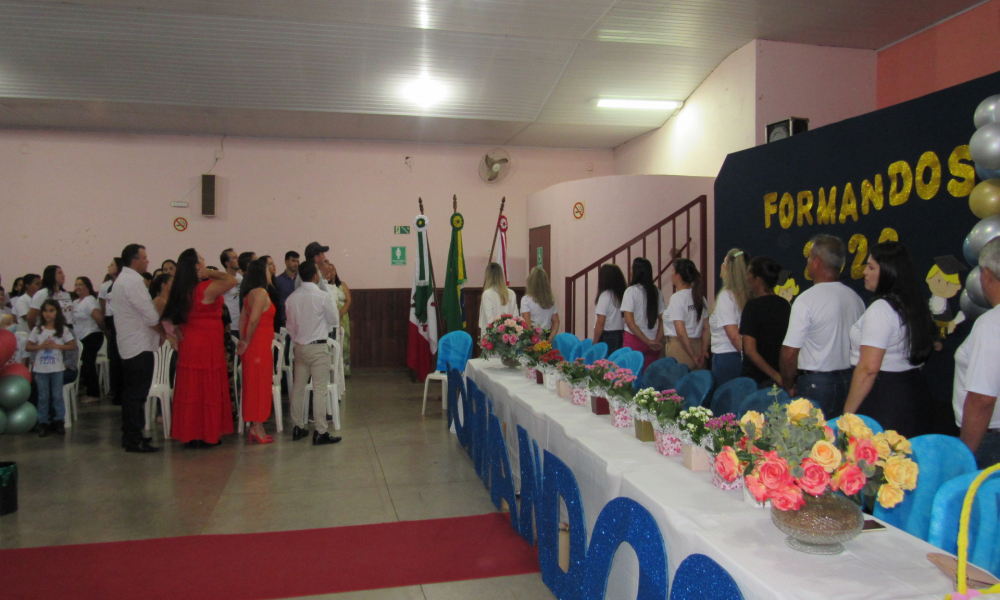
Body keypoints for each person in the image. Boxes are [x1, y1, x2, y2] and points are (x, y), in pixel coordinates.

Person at [842, 242, 936, 438]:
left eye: (871, 267)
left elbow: (868, 369)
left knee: (881, 464)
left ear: (888, 272)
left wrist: (847, 415)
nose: (864, 272)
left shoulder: (881, 309)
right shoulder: (912, 304)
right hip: (909, 392)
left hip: (883, 398)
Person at [779, 234, 865, 419]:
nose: (808, 262)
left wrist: (788, 384)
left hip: (816, 384)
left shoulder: (806, 300)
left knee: (811, 441)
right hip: (849, 380)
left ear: (816, 262)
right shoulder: (855, 298)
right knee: (840, 439)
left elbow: (789, 353)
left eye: (809, 258)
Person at [162, 249, 238, 449]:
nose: (204, 260)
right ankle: (206, 433)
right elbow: (232, 280)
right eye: (201, 258)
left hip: (191, 342)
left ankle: (191, 433)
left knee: (191, 388)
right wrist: (211, 273)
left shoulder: (182, 289)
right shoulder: (204, 288)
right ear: (196, 266)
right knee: (207, 387)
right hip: (206, 343)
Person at [953, 237, 1000, 468]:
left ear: (987, 274)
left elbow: (982, 399)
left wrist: (965, 454)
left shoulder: (991, 323)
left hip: (990, 439)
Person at [110, 244, 162, 453]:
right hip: (138, 345)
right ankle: (133, 438)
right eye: (144, 257)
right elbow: (149, 314)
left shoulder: (122, 280)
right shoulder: (132, 281)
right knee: (135, 394)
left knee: (134, 393)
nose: (147, 261)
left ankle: (133, 434)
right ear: (134, 261)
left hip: (131, 343)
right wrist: (162, 332)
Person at [285, 259, 342, 445]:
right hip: (318, 348)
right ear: (316, 276)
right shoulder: (322, 296)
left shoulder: (291, 298)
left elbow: (290, 327)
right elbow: (333, 319)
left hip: (300, 348)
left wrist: (298, 339)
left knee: (298, 388)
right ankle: (320, 431)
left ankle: (298, 427)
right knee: (319, 390)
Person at [237, 257, 276, 444]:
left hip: (256, 344)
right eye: (269, 269)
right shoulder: (260, 292)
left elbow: (242, 319)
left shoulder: (249, 294)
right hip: (258, 345)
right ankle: (257, 425)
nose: (271, 272)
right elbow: (252, 320)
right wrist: (247, 341)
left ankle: (255, 424)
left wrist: (244, 340)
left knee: (254, 384)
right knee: (259, 384)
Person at [25, 299, 76, 437]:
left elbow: (72, 345)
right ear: (42, 313)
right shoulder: (38, 329)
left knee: (57, 396)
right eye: (46, 311)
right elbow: (28, 346)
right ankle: (43, 423)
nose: (48, 314)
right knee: (43, 396)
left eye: (52, 311)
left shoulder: (63, 330)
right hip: (41, 369)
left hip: (57, 368)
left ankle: (59, 421)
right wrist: (40, 346)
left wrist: (58, 346)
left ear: (57, 312)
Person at [740, 257, 791, 388]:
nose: (747, 279)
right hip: (780, 377)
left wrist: (775, 375)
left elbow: (750, 350)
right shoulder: (784, 305)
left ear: (757, 279)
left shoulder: (752, 307)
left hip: (757, 380)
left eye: (749, 275)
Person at [709, 249, 752, 386]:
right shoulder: (747, 295)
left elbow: (733, 336)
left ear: (728, 268)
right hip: (740, 355)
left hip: (727, 358)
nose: (721, 266)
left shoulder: (726, 297)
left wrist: (747, 357)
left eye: (723, 262)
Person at [663, 258, 708, 369]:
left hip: (681, 349)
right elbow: (706, 328)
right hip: (698, 345)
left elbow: (681, 333)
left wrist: (693, 356)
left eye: (673, 271)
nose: (671, 274)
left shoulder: (677, 298)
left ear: (678, 276)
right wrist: (703, 351)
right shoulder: (700, 297)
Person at [622, 257, 665, 370]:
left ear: (637, 271)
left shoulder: (631, 291)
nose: (630, 270)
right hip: (654, 341)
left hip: (635, 340)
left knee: (631, 377)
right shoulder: (657, 292)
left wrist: (647, 341)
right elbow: (663, 319)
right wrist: (656, 341)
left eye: (632, 268)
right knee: (648, 378)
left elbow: (629, 321)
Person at [72, 276, 105, 400]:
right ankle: (87, 388)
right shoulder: (75, 302)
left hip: (92, 336)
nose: (78, 287)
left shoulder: (90, 300)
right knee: (85, 364)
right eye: (76, 285)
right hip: (81, 338)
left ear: (87, 287)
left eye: (81, 284)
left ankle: (94, 393)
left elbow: (99, 318)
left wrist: (102, 330)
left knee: (88, 363)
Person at [100, 258, 125, 404]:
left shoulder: (122, 284)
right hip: (111, 322)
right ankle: (116, 389)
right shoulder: (109, 286)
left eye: (112, 264)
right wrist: (105, 326)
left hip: (120, 321)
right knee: (113, 358)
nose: (109, 267)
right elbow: (105, 307)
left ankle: (122, 391)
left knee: (120, 358)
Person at [593, 263, 627, 353]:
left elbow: (600, 322)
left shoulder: (605, 296)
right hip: (620, 334)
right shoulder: (621, 295)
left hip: (607, 335)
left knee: (604, 363)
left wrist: (595, 342)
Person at [479, 262, 518, 340]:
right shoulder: (511, 293)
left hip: (492, 338)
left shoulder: (487, 294)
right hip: (509, 336)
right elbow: (516, 316)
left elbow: (490, 320)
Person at [27, 265, 74, 329]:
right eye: (59, 273)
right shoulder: (42, 294)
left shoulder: (65, 294)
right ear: (51, 275)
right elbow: (31, 317)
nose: (63, 275)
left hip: (67, 328)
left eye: (62, 273)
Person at [521, 267, 559, 342]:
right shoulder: (550, 300)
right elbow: (556, 321)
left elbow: (527, 324)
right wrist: (550, 339)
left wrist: (536, 339)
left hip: (532, 338)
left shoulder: (526, 300)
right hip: (546, 336)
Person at [328, 262, 352, 375]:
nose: (331, 272)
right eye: (329, 270)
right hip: (332, 315)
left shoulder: (342, 284)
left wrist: (341, 313)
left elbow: (348, 300)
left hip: (343, 315)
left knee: (345, 343)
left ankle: (344, 371)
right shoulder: (325, 287)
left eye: (333, 270)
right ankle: (334, 371)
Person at [220, 248, 242, 338]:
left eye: (237, 257)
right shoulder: (222, 279)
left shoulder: (241, 278)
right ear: (227, 263)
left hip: (241, 323)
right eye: (234, 258)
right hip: (230, 323)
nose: (238, 260)